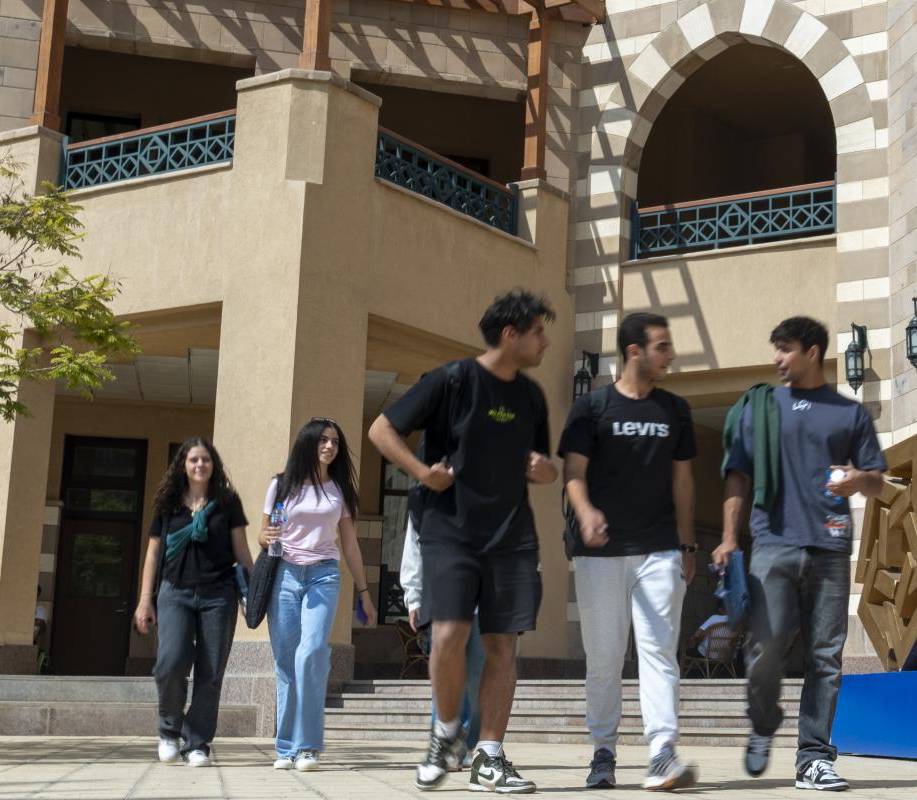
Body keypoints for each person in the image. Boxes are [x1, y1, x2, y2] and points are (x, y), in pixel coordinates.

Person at [369, 290, 559, 793]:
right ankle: (447, 732)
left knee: (502, 646)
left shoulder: (532, 397)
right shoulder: (451, 381)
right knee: (448, 637)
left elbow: (544, 464)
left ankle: (490, 756)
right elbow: (381, 430)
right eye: (539, 331)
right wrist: (420, 473)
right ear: (510, 334)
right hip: (450, 533)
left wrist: (545, 470)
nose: (546, 341)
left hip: (511, 537)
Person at [716, 316, 887, 792]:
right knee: (764, 650)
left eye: (785, 349)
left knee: (825, 656)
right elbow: (738, 476)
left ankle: (814, 757)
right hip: (772, 543)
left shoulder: (849, 414)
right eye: (775, 349)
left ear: (813, 352)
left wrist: (859, 480)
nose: (777, 359)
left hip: (830, 547)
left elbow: (878, 479)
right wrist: (729, 537)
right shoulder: (761, 408)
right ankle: (764, 718)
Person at [559, 312, 700, 791]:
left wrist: (686, 543)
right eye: (662, 346)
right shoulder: (592, 409)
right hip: (600, 555)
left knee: (659, 653)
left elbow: (683, 481)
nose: (670, 354)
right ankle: (603, 752)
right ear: (634, 351)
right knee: (604, 659)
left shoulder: (675, 411)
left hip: (659, 549)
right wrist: (585, 512)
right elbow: (573, 474)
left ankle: (662, 752)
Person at [260, 417, 377, 772]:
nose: (330, 447)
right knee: (285, 661)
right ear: (308, 444)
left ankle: (308, 746)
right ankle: (286, 748)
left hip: (324, 576)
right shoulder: (281, 485)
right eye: (324, 440)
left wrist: (365, 592)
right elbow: (264, 533)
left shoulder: (338, 491)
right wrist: (265, 537)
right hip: (285, 576)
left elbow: (351, 545)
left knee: (310, 654)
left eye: (335, 443)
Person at [133, 437, 254, 767]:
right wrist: (146, 600)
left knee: (211, 670)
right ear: (183, 466)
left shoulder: (227, 503)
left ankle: (197, 741)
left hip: (219, 595)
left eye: (206, 459)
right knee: (170, 661)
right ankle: (169, 730)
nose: (200, 465)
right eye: (193, 460)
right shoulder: (168, 505)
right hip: (174, 592)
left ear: (213, 464)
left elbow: (242, 552)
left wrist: (251, 595)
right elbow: (153, 554)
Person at [400, 494, 486, 764]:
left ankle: (471, 745)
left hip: (484, 593)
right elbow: (414, 543)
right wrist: (413, 597)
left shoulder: (489, 483)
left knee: (475, 675)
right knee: (447, 669)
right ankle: (447, 744)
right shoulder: (429, 492)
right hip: (443, 592)